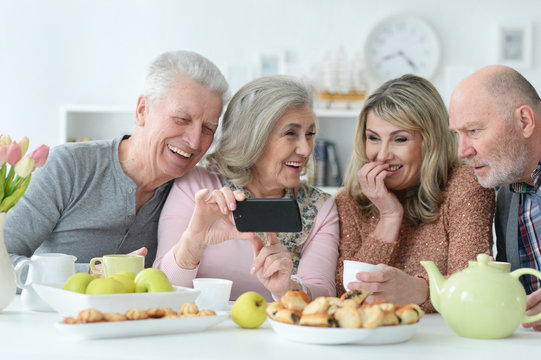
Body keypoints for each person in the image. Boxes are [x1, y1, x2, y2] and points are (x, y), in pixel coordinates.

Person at [6, 50, 229, 272]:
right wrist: (95, 273)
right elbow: (3, 260)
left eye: (208, 128)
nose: (194, 141)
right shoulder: (69, 166)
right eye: (182, 119)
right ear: (142, 111)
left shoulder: (191, 193)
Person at [154, 75, 339, 302]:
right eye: (291, 133)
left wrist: (288, 288)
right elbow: (160, 291)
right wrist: (193, 244)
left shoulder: (320, 207)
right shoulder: (198, 188)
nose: (305, 149)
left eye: (310, 134)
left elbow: (325, 293)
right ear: (252, 138)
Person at [335, 74, 495, 313]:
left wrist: (420, 290)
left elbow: (470, 287)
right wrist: (389, 216)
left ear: (429, 141)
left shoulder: (465, 185)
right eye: (373, 138)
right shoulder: (348, 200)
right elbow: (344, 294)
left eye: (400, 139)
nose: (382, 155)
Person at [449, 65, 541, 330]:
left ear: (524, 121)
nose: (462, 152)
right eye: (457, 134)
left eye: (474, 131)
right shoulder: (508, 190)